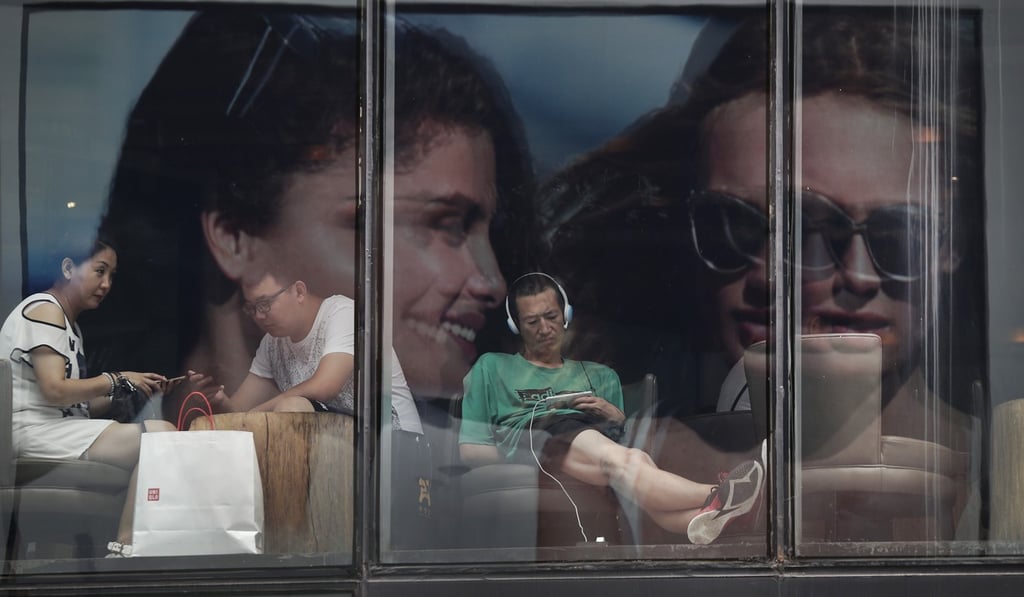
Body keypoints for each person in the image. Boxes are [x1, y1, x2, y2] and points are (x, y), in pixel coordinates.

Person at [89, 10, 533, 428]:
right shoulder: (113, 444)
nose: (491, 282)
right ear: (235, 236)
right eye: (441, 223)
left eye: (487, 231)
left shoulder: (342, 328)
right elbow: (248, 405)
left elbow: (316, 388)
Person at [458, 272, 764, 543]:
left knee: (634, 462)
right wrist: (523, 452)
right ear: (516, 326)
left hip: (591, 435)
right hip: (541, 434)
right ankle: (721, 493)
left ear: (565, 314)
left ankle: (714, 517)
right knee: (625, 463)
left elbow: (623, 438)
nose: (544, 328)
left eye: (551, 316)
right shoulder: (492, 367)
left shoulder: (601, 376)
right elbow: (471, 451)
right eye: (532, 321)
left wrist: (614, 416)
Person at [0, 237, 177, 556]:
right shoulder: (44, 310)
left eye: (111, 275)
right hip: (31, 432)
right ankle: (125, 548)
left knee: (158, 438)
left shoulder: (69, 326)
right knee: (162, 437)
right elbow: (55, 391)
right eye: (99, 271)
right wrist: (116, 379)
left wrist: (131, 390)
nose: (106, 284)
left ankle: (108, 548)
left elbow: (75, 404)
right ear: (68, 268)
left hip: (51, 428)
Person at [201, 272, 421, 433]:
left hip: (395, 444)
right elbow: (239, 412)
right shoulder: (272, 344)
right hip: (344, 445)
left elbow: (324, 386)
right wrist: (220, 400)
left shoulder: (343, 314)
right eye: (252, 308)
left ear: (299, 291)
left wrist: (255, 415)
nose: (259, 316)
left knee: (292, 408)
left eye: (265, 304)